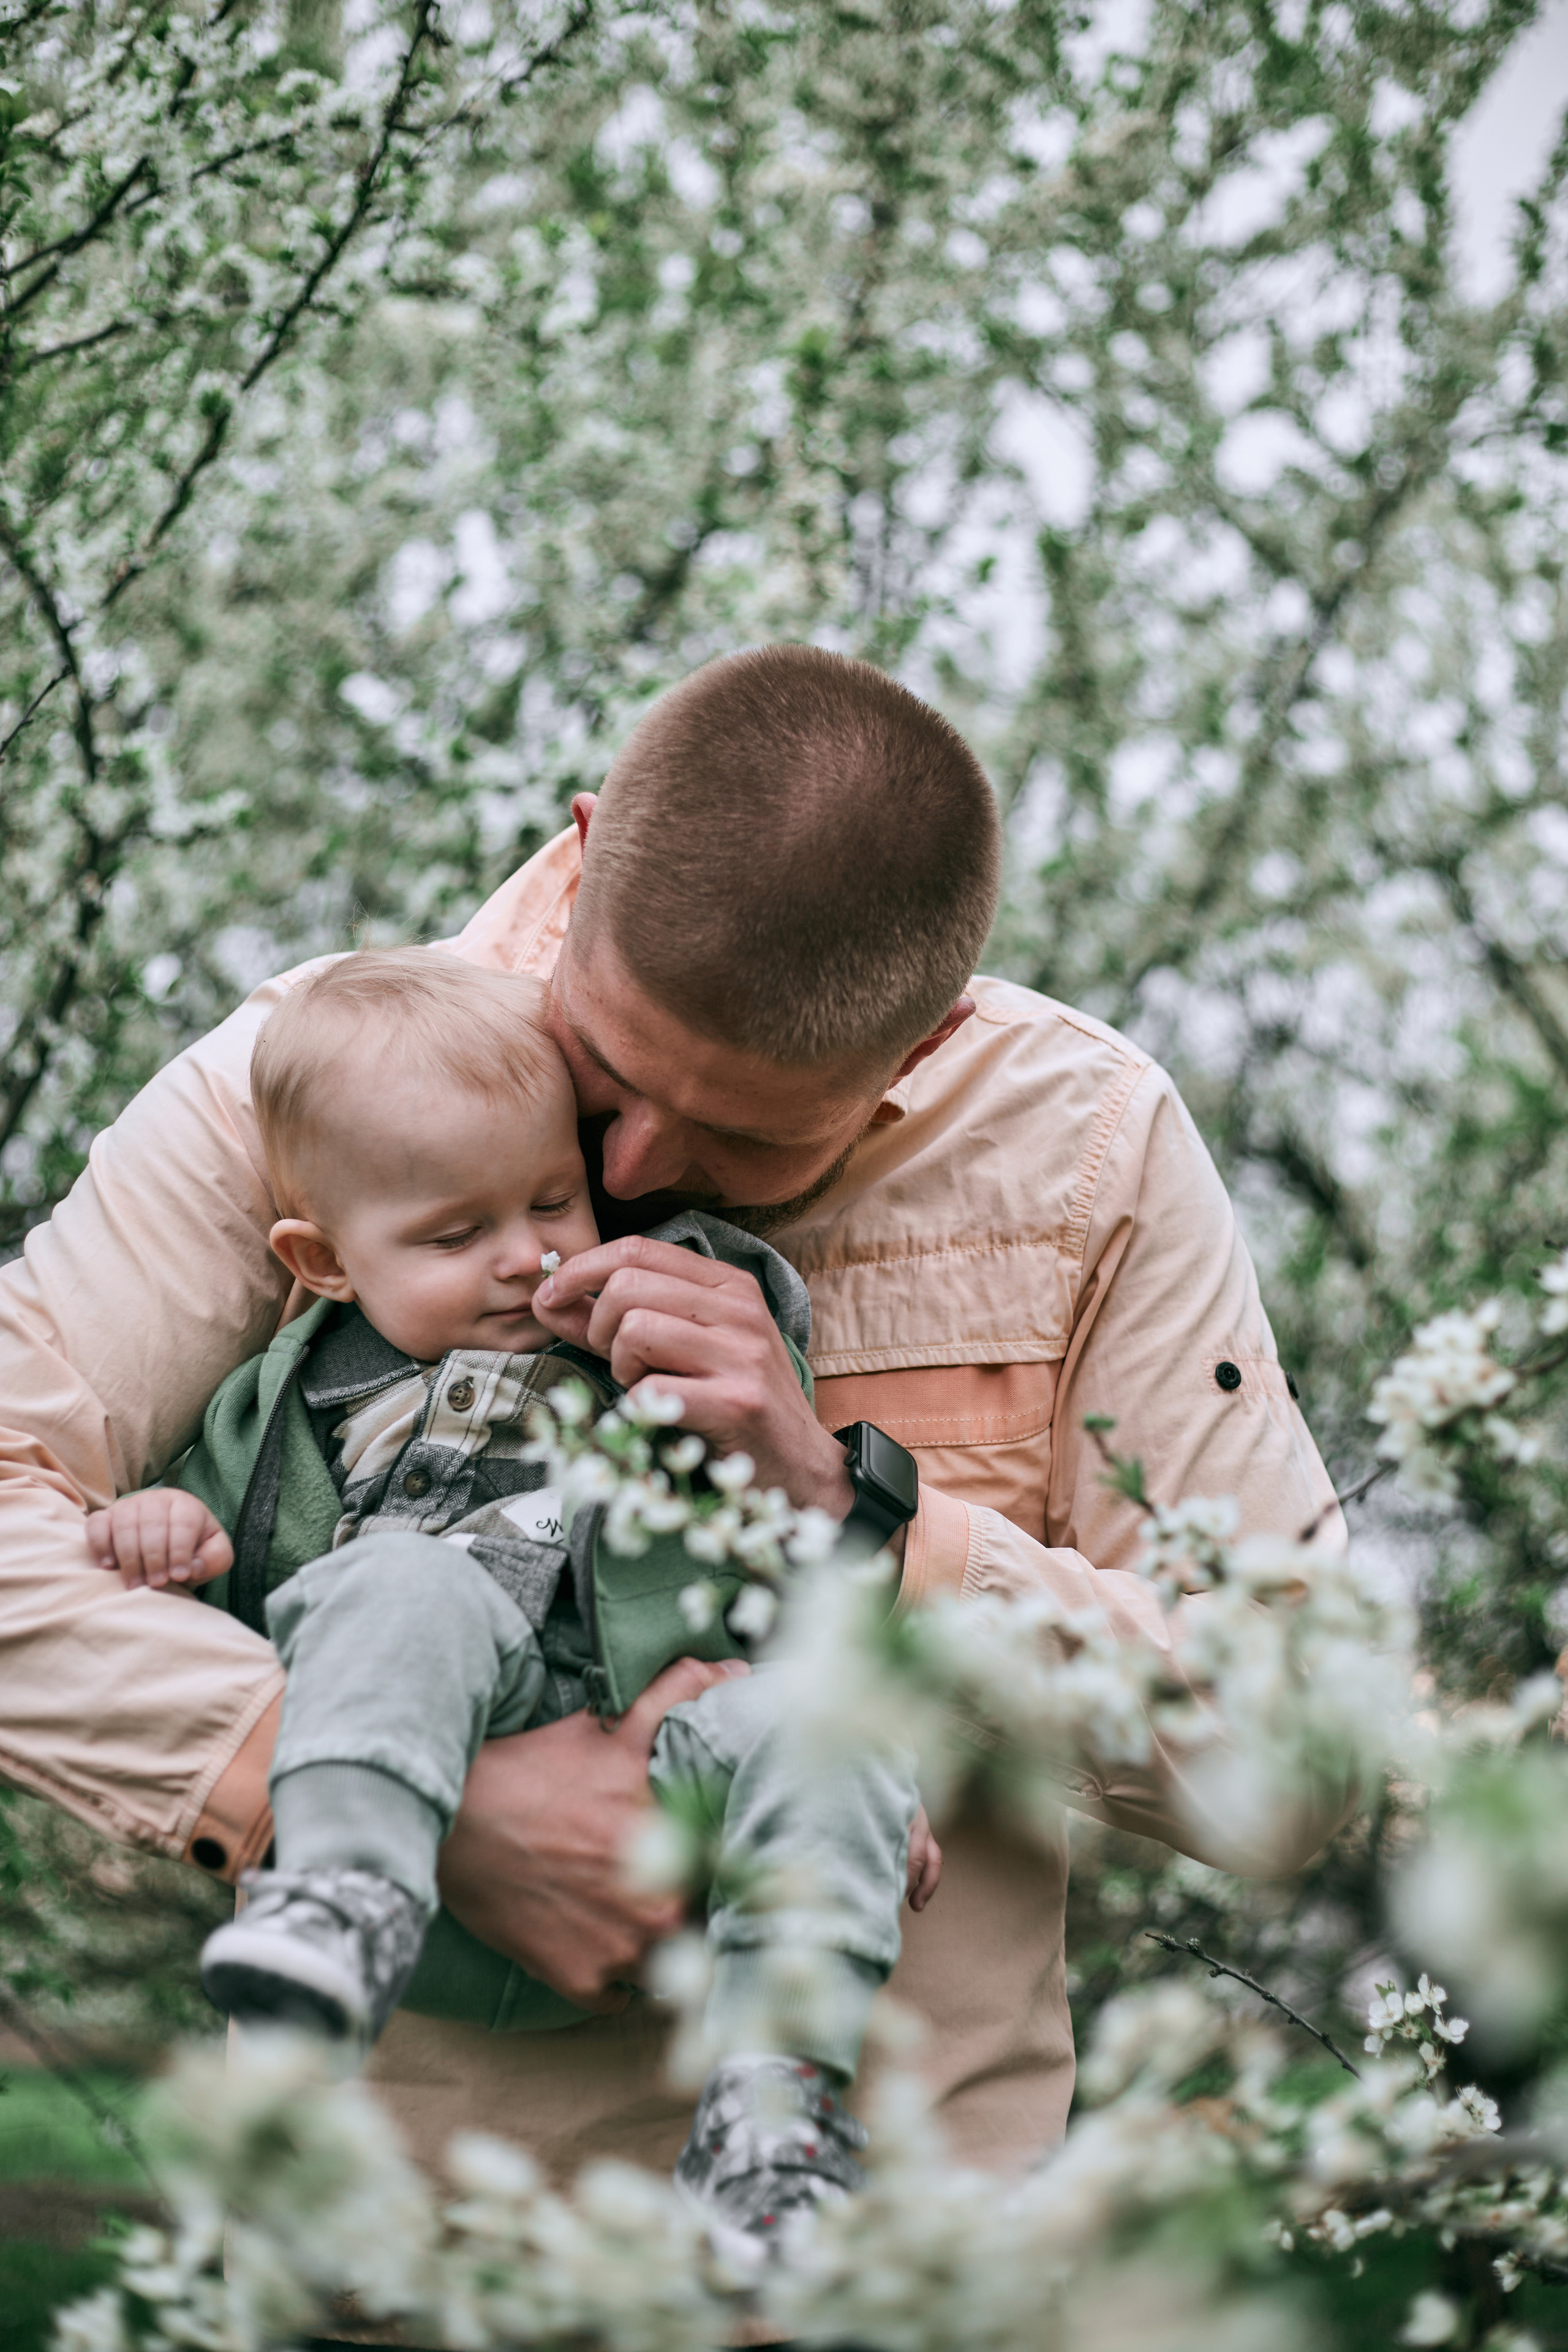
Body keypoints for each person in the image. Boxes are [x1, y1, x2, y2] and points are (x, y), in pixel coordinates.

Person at [0, 643, 1351, 2195]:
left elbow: (1305, 1746)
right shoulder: (316, 1084)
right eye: (605, 1069)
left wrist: (860, 1521)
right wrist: (386, 1792)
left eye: (743, 1137)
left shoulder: (1083, 1154)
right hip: (391, 2247)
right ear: (581, 858)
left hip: (888, 2257)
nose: (632, 1169)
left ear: (924, 1043)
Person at [86, 948, 941, 2267]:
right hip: (430, 1836)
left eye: (554, 1200)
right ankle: (336, 1908)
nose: (524, 1256)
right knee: (400, 1581)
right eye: (453, 1234)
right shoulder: (285, 1406)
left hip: (666, 1797)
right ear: (323, 1261)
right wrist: (160, 1531)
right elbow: (219, 1575)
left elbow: (771, 1570)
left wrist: (851, 1778)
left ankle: (776, 2124)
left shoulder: (653, 1349)